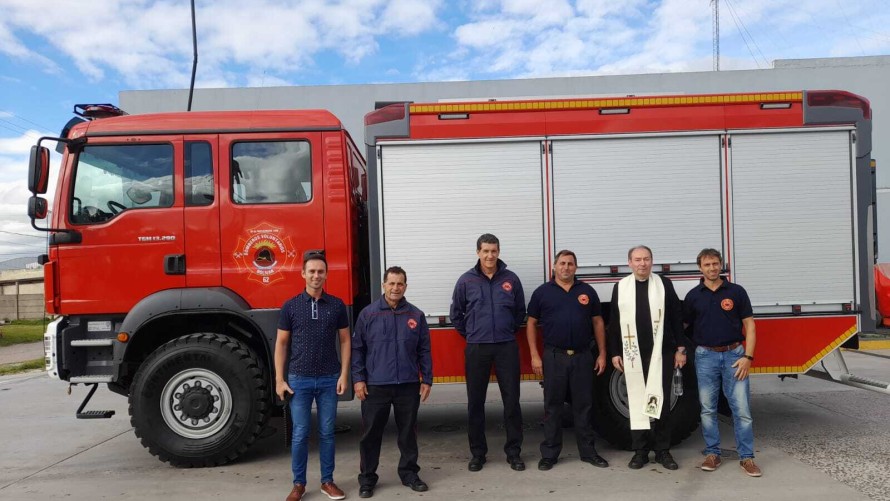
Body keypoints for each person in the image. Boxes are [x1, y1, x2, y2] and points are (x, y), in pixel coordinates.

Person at [275, 251, 351, 501]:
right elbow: (282, 344)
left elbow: (345, 340)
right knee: (300, 433)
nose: (316, 275)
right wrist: (279, 379)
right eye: (312, 271)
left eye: (320, 271)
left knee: (327, 433)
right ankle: (299, 484)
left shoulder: (337, 305)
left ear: (326, 274)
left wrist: (343, 374)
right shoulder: (291, 306)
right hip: (299, 380)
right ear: (303, 274)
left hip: (330, 379)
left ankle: (327, 481)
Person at [352, 266, 433, 498]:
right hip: (376, 385)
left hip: (407, 385)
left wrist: (426, 379)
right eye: (391, 283)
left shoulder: (415, 315)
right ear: (383, 285)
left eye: (400, 284)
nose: (395, 288)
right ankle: (367, 479)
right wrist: (358, 380)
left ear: (405, 286)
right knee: (370, 435)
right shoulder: (368, 314)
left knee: (408, 433)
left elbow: (424, 350)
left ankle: (409, 474)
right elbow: (358, 350)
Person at [450, 233, 527, 472]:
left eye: (493, 251)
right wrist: (473, 334)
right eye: (485, 251)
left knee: (512, 401)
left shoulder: (511, 279)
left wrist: (506, 332)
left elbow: (519, 313)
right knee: (476, 403)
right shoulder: (466, 281)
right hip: (477, 348)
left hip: (506, 346)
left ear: (499, 252)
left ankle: (514, 453)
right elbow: (456, 315)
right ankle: (478, 454)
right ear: (478, 253)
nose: (490, 255)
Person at [526, 249, 609, 471]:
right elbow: (531, 323)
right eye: (562, 263)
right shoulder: (542, 293)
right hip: (554, 357)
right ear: (554, 267)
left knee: (584, 406)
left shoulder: (587, 291)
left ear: (576, 267)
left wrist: (602, 353)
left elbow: (598, 322)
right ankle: (550, 454)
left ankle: (588, 452)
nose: (566, 267)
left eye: (570, 264)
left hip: (582, 356)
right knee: (552, 407)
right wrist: (535, 355)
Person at [683, 248, 761, 477]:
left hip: (734, 356)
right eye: (707, 265)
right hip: (705, 357)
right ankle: (712, 454)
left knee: (742, 410)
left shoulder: (736, 292)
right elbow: (683, 327)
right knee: (707, 409)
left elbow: (750, 326)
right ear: (700, 268)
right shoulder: (693, 295)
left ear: (721, 266)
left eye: (715, 263)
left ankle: (747, 458)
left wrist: (747, 357)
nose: (712, 268)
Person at [608, 245, 686, 471]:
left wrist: (680, 349)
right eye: (637, 259)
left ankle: (663, 450)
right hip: (633, 353)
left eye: (646, 259)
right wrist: (614, 352)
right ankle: (640, 451)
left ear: (652, 261)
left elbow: (675, 317)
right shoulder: (621, 287)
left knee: (660, 402)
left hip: (661, 352)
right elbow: (614, 322)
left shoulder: (663, 285)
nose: (642, 263)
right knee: (635, 401)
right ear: (629, 263)